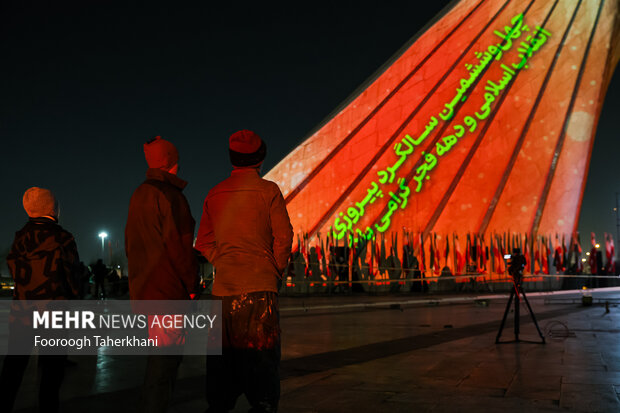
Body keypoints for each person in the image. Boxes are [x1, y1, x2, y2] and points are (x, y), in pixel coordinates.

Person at [196, 130, 293, 413]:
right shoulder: (268, 191)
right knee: (262, 366)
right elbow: (284, 237)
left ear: (232, 158)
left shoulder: (214, 194)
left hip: (223, 292)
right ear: (260, 158)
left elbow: (203, 241)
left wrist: (223, 261)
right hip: (260, 288)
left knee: (221, 367)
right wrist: (273, 269)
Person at [125, 136, 199, 413]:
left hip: (146, 290)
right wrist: (191, 286)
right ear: (172, 163)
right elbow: (181, 250)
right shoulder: (172, 197)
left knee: (157, 359)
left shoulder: (138, 194)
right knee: (164, 365)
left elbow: (130, 244)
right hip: (168, 293)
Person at [0, 187, 80, 413]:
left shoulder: (20, 237)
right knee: (51, 374)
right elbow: (73, 277)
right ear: (53, 208)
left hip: (22, 314)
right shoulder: (63, 238)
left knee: (13, 369)